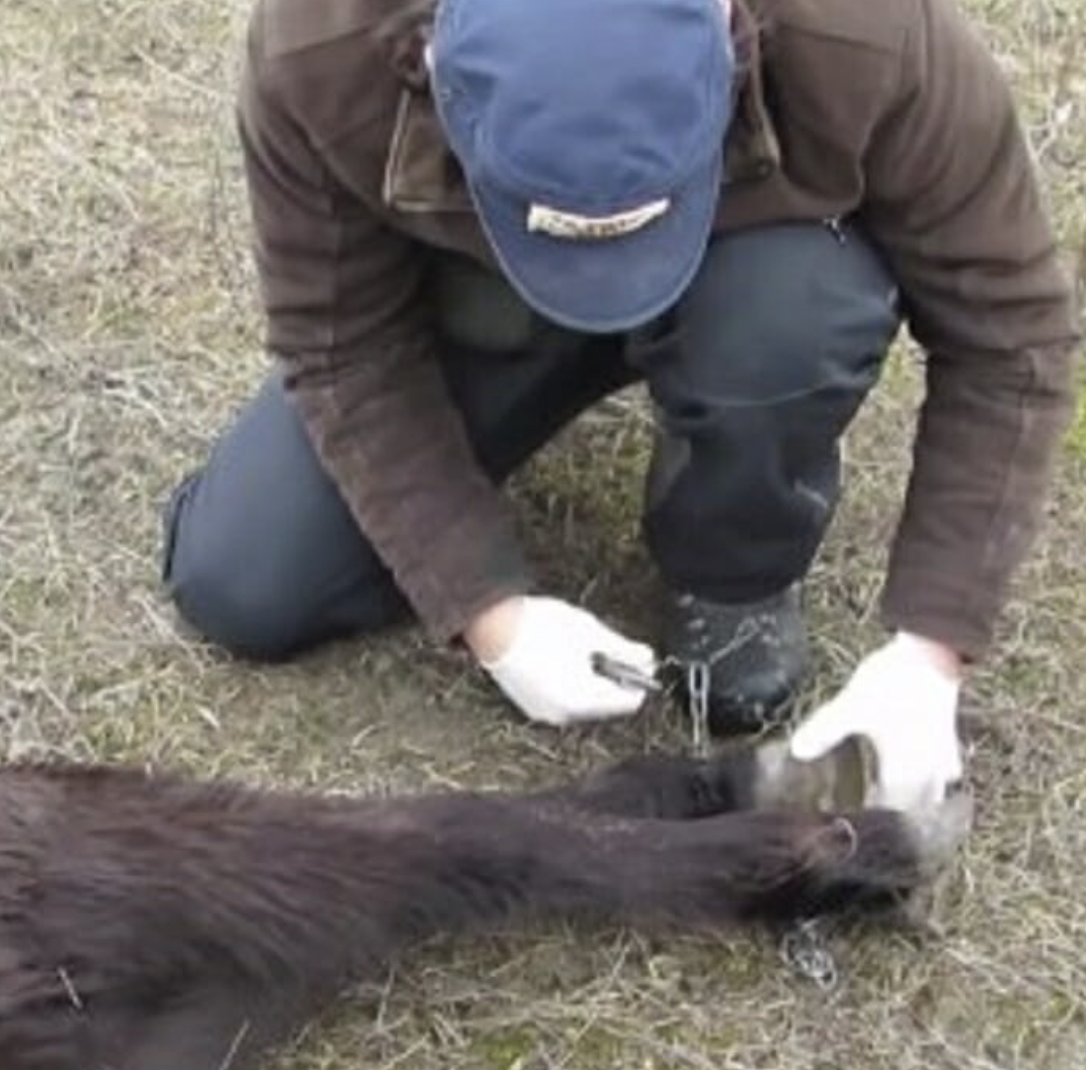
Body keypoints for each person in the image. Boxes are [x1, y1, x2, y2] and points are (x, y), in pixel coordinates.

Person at [161, 0, 1079, 813]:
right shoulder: (318, 51)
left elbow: (1012, 337)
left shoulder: (865, 33)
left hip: (752, 268)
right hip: (483, 285)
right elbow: (344, 345)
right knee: (247, 583)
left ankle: (735, 563)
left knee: (794, 315)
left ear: (730, 32)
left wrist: (930, 655)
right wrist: (487, 610)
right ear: (435, 63)